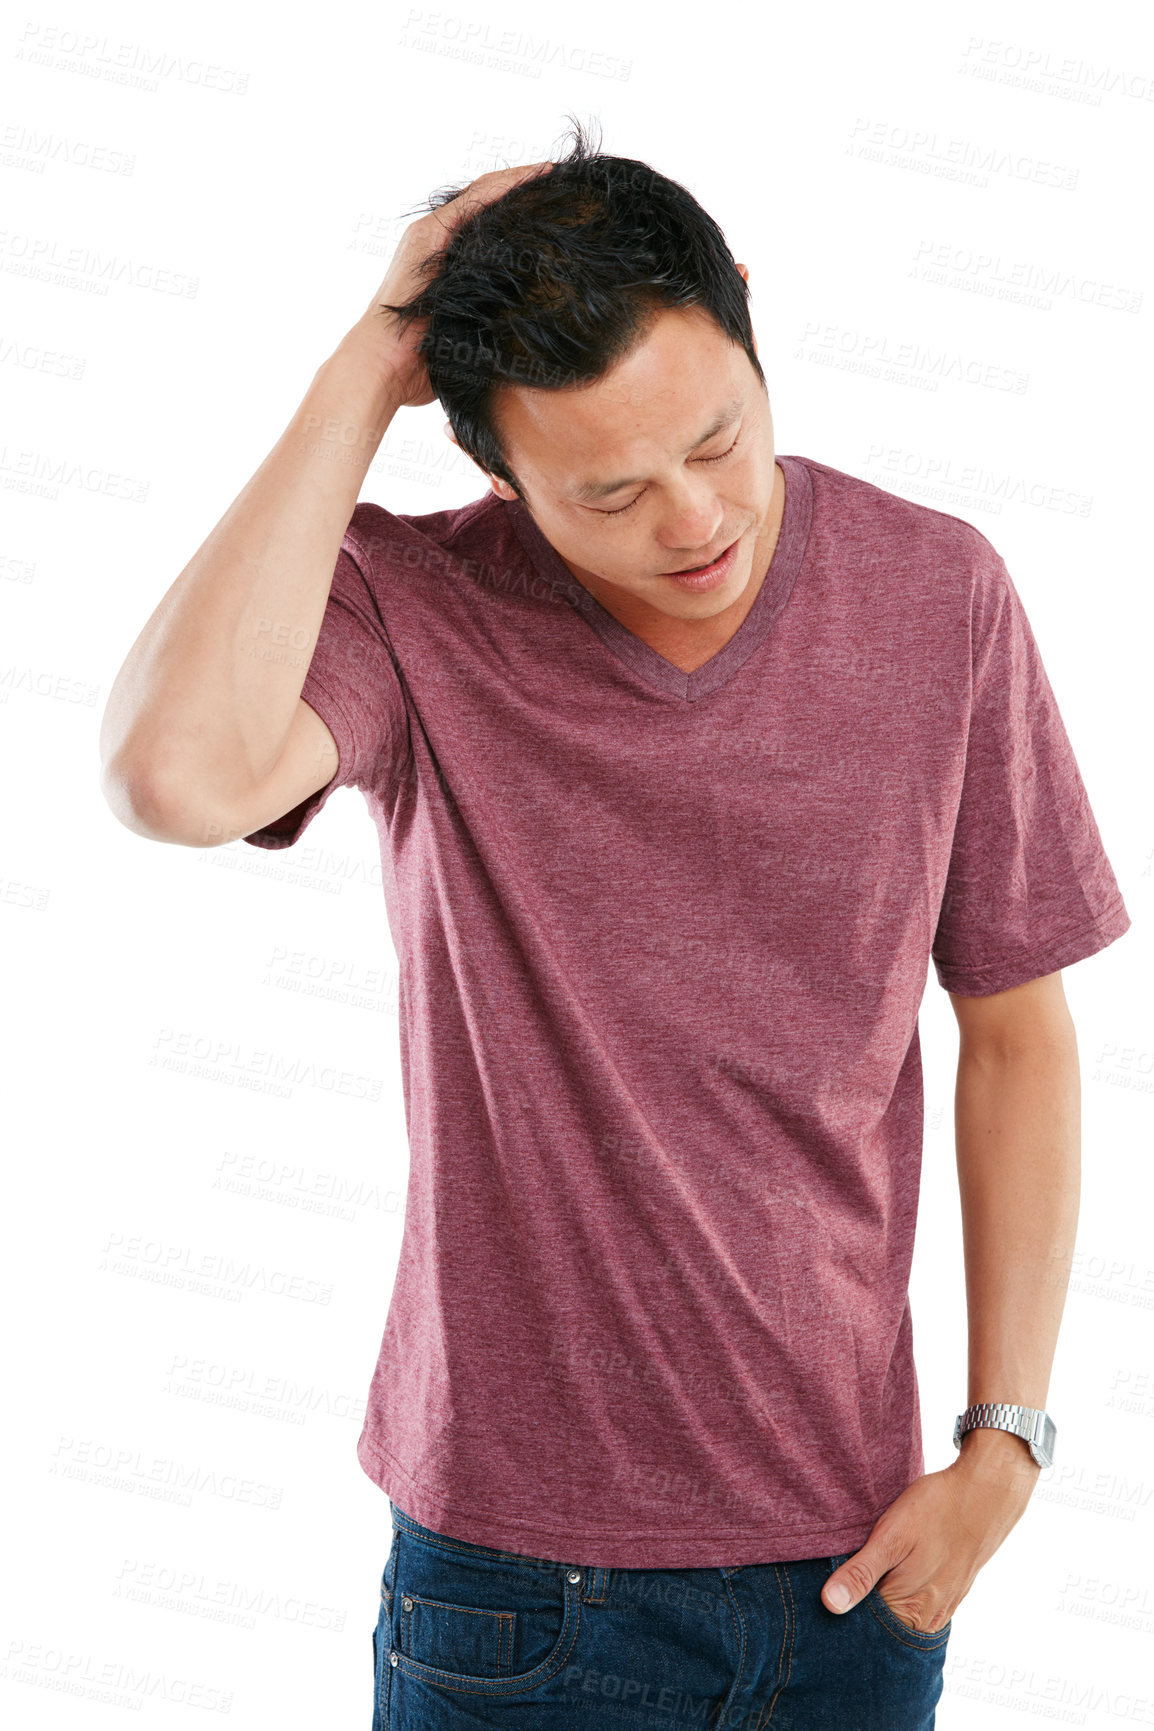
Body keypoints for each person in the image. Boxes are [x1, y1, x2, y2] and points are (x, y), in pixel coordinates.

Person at [99, 118, 1131, 1730]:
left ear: (746, 316)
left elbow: (1014, 1030)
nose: (694, 520)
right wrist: (369, 365)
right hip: (514, 1587)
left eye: (719, 439)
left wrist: (1004, 1448)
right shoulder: (412, 608)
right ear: (489, 467)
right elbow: (175, 777)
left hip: (856, 1570)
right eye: (610, 491)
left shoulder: (941, 595)